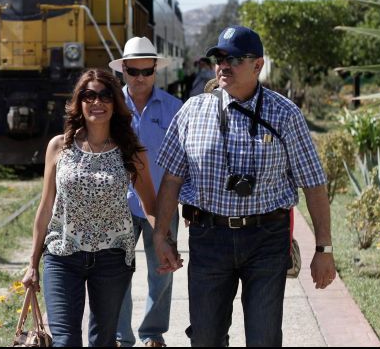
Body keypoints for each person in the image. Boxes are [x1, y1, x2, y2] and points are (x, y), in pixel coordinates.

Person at [152, 25, 336, 347]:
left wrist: (324, 249)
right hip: (209, 238)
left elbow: (314, 184)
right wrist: (161, 236)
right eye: (219, 58)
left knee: (264, 339)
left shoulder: (285, 114)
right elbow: (171, 179)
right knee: (206, 338)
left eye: (234, 59)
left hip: (266, 240)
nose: (224, 65)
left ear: (258, 65)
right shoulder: (192, 112)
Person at [22, 68, 160, 347]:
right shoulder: (59, 147)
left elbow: (150, 205)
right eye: (89, 95)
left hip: (112, 259)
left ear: (115, 102)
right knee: (65, 341)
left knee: (103, 341)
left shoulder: (131, 150)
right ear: (79, 102)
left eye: (105, 95)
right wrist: (32, 263)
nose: (97, 102)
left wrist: (163, 241)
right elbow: (46, 206)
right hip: (62, 256)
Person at [107, 37, 182, 348]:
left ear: (155, 71)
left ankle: (152, 333)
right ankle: (122, 336)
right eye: (133, 71)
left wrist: (189, 202)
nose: (140, 78)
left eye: (146, 71)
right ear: (123, 70)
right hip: (116, 205)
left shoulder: (175, 109)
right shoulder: (109, 108)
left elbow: (186, 159)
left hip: (161, 205)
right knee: (116, 274)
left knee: (162, 271)